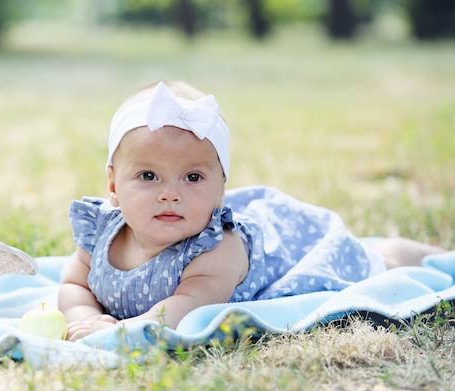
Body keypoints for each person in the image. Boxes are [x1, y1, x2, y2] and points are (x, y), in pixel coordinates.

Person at [58, 80, 445, 341]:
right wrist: (82, 319)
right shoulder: (101, 233)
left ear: (221, 189)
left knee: (376, 260)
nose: (170, 194)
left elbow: (186, 307)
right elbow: (74, 285)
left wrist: (122, 331)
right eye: (148, 176)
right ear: (112, 185)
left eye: (193, 178)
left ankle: (431, 254)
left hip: (290, 252)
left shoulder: (216, 249)